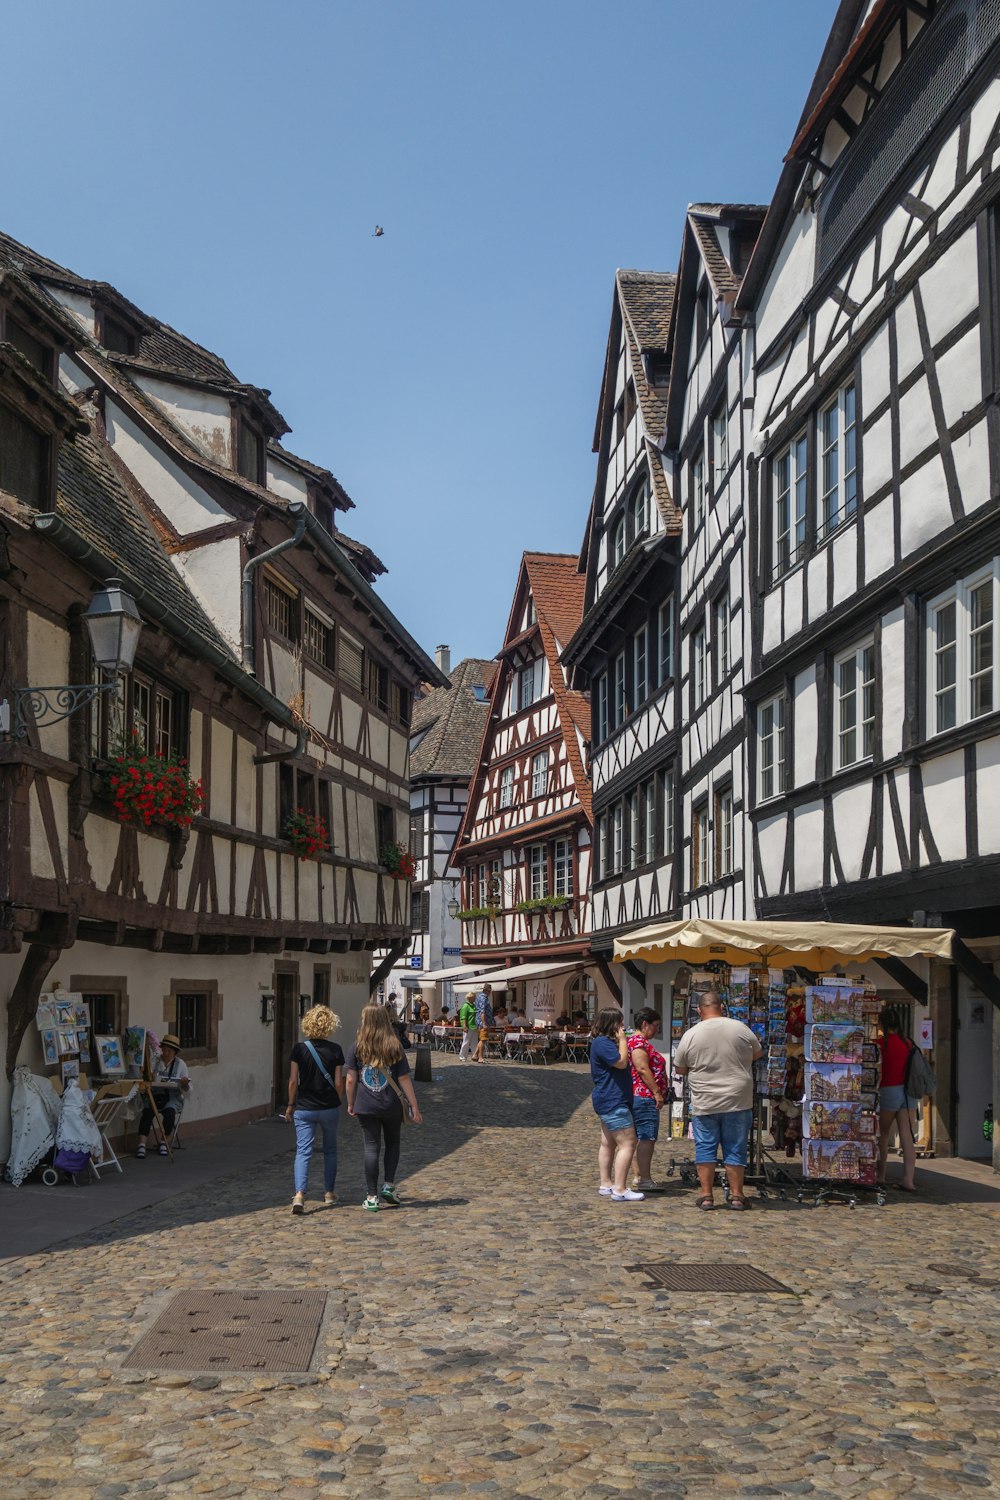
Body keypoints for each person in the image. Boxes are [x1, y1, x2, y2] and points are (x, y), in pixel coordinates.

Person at [672, 991, 761, 1211]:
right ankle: (738, 1196)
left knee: (705, 1147)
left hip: (706, 1100)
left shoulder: (691, 1034)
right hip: (737, 1099)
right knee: (736, 1148)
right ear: (722, 1007)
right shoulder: (740, 1028)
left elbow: (680, 1068)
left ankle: (706, 1196)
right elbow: (757, 1054)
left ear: (699, 1010)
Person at [345, 1003, 423, 1210]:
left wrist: (351, 1102)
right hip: (391, 1104)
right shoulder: (394, 1045)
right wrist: (414, 1106)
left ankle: (371, 1197)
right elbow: (404, 1078)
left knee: (371, 1148)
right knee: (393, 1143)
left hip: (366, 1104)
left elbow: (351, 1080)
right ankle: (388, 1185)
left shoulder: (357, 1046)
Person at [285, 1004, 344, 1215]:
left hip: (304, 1107)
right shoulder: (336, 1050)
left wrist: (291, 1105)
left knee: (303, 1151)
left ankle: (299, 1194)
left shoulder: (299, 1049)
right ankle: (329, 1193)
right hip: (328, 1107)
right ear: (330, 1025)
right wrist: (337, 1100)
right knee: (330, 1150)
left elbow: (293, 1081)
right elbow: (338, 1082)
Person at [590, 1007, 643, 1201]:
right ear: (611, 1024)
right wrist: (623, 1041)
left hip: (607, 1098)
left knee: (608, 1143)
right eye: (620, 1023)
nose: (623, 1027)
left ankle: (606, 1183)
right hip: (613, 1099)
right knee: (628, 1143)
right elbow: (620, 1063)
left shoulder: (600, 1042)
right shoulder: (603, 1043)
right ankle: (620, 1188)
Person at [877, 1006, 918, 1192]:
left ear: (882, 1024)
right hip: (907, 1092)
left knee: (883, 1134)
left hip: (889, 1089)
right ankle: (908, 1180)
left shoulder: (881, 1044)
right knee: (907, 1136)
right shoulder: (908, 1043)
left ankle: (881, 1175)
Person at [627, 1008, 668, 1190]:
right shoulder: (638, 1042)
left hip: (639, 1095)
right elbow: (642, 1068)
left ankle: (639, 1176)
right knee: (646, 1137)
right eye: (655, 1026)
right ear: (645, 1024)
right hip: (644, 1096)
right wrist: (656, 1092)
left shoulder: (639, 1041)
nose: (657, 1030)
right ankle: (644, 1179)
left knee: (638, 1137)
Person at [136, 1034, 191, 1158]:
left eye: (169, 1051)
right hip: (154, 1094)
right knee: (147, 1112)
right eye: (164, 1049)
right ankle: (141, 1145)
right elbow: (148, 1077)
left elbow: (187, 1089)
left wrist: (184, 1084)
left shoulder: (180, 1064)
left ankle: (163, 1142)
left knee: (169, 1113)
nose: (166, 1053)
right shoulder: (155, 1061)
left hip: (172, 1096)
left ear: (175, 1052)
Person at [473, 983, 495, 1063]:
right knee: (483, 1039)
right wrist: (484, 1023)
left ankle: (475, 1055)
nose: (490, 992)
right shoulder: (483, 998)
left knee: (482, 1039)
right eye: (490, 991)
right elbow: (482, 1011)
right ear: (487, 991)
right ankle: (480, 1057)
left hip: (480, 1021)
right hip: (483, 1022)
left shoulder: (479, 997)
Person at [458, 990, 479, 1061]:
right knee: (466, 1042)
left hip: (474, 1026)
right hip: (468, 1026)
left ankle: (474, 1055)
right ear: (470, 998)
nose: (475, 998)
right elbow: (463, 1017)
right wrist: (464, 1026)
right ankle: (462, 1056)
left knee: (474, 1042)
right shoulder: (465, 1006)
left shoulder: (473, 1005)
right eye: (474, 997)